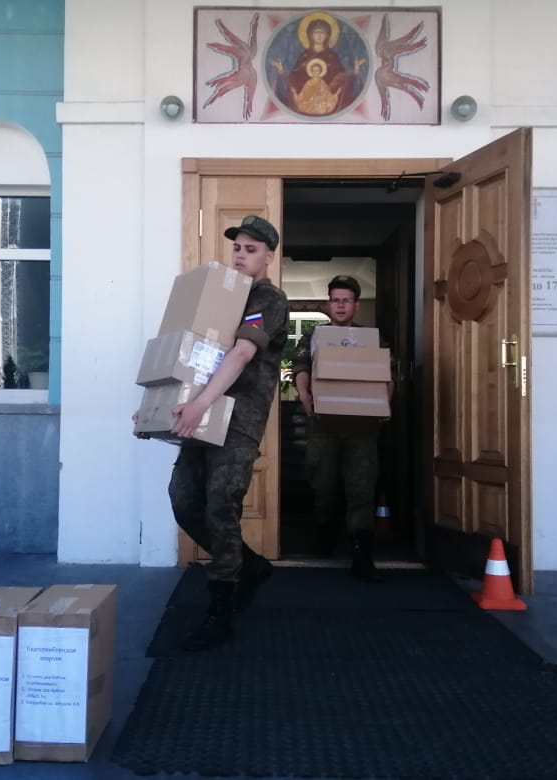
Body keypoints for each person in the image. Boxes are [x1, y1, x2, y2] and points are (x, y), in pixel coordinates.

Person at [139, 215, 289, 652]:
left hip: (237, 418)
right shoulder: (221, 298)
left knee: (221, 504)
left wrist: (200, 405)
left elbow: (241, 354)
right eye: (237, 248)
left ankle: (220, 610)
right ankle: (251, 566)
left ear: (268, 257)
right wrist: (154, 410)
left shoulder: (267, 298)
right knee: (185, 501)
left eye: (251, 250)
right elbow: (189, 355)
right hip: (201, 410)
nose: (240, 256)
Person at [292, 275, 386, 582]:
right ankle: (324, 535)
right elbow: (301, 368)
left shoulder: (372, 338)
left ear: (356, 306)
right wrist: (304, 396)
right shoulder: (313, 336)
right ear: (328, 304)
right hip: (323, 425)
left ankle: (361, 554)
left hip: (362, 428)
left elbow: (385, 375)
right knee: (323, 485)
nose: (341, 305)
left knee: (361, 488)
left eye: (346, 300)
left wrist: (385, 403)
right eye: (335, 300)